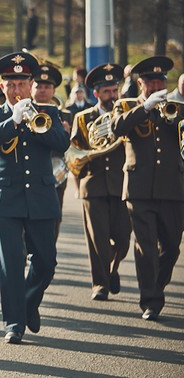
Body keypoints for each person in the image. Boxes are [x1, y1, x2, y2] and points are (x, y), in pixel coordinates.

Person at [0, 52, 70, 344]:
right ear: (2, 86)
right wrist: (13, 122)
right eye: (11, 84)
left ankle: (28, 305)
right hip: (8, 196)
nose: (17, 89)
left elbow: (61, 143)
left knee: (46, 262)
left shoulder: (49, 113)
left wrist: (31, 119)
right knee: (11, 262)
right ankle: (14, 323)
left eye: (22, 83)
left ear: (32, 85)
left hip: (42, 196)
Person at [112, 56, 184, 321]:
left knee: (172, 247)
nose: (156, 85)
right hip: (139, 188)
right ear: (140, 82)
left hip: (173, 188)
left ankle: (157, 286)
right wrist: (144, 109)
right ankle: (150, 301)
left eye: (160, 81)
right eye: (151, 81)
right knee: (146, 247)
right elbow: (117, 127)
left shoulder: (178, 107)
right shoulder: (125, 105)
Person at [69, 63, 131, 301]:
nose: (112, 95)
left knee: (124, 239)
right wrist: (78, 187)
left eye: (114, 90)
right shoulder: (83, 118)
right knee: (98, 240)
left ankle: (112, 269)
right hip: (93, 186)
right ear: (96, 93)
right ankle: (100, 285)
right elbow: (75, 153)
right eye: (107, 91)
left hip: (121, 185)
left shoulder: (125, 114)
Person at [30, 63, 72, 239]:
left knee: (53, 218)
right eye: (38, 86)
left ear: (54, 91)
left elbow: (66, 147)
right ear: (31, 87)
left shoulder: (66, 115)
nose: (42, 90)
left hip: (56, 173)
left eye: (47, 87)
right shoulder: (24, 110)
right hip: (29, 171)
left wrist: (65, 135)